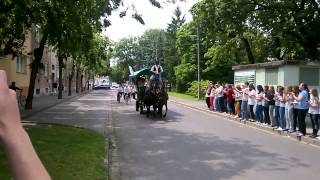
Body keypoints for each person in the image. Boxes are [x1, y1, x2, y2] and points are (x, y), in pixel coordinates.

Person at [0, 70, 51, 180]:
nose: (13, 85)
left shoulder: (12, 87)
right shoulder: (10, 87)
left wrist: (11, 130)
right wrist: (12, 130)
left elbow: (15, 89)